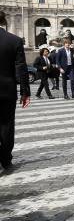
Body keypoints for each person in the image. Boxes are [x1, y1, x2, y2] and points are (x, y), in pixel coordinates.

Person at [0, 11, 31, 170]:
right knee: (6, 125)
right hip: (6, 90)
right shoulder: (14, 40)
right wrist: (25, 92)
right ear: (4, 20)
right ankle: (5, 159)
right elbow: (21, 68)